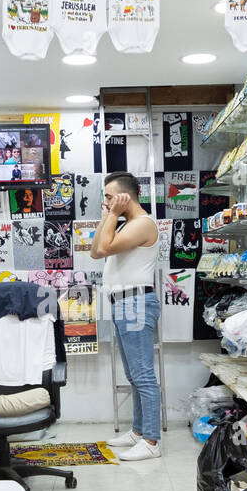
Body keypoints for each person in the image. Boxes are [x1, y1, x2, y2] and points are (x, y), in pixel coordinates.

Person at [90, 172, 161, 461]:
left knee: (143, 375)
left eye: (109, 196)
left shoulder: (143, 224)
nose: (105, 201)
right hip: (123, 302)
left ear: (125, 197)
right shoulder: (126, 224)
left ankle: (152, 442)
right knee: (133, 374)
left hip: (135, 302)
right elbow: (96, 252)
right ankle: (138, 431)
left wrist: (112, 215)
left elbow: (105, 247)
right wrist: (108, 216)